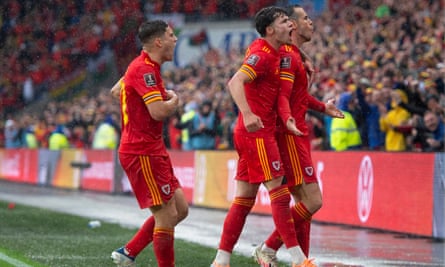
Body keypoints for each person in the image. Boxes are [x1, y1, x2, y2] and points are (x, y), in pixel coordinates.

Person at [210, 6, 314, 267]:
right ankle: (297, 258)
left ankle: (221, 260)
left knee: (244, 199)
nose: (289, 25)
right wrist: (247, 113)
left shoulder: (274, 52)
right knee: (279, 194)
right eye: (283, 21)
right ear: (270, 29)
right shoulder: (263, 54)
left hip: (252, 132)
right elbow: (235, 82)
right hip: (257, 132)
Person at [252, 5, 344, 267]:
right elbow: (282, 96)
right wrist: (288, 120)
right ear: (291, 25)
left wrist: (321, 107)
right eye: (305, 18)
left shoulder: (293, 55)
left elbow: (296, 96)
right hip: (290, 134)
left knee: (303, 204)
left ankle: (300, 260)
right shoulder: (289, 56)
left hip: (293, 130)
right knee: (313, 201)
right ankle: (268, 248)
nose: (311, 23)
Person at [110, 20, 189, 267]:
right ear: (158, 42)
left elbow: (116, 91)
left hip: (152, 148)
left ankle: (129, 251)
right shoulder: (144, 69)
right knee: (166, 216)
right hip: (141, 151)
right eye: (171, 35)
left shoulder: (144, 67)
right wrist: (174, 101)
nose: (175, 39)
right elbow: (157, 112)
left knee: (180, 209)